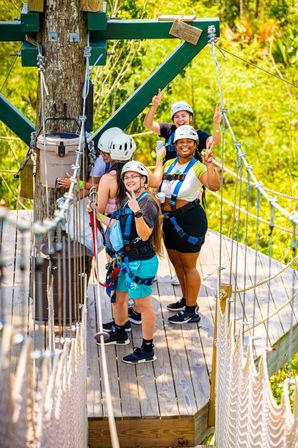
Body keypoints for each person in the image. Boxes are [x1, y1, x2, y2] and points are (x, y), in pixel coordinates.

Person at [149, 125, 220, 324]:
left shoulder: (198, 167)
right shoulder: (169, 163)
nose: (185, 145)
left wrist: (209, 165)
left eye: (189, 142)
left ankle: (191, 309)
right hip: (170, 220)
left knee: (189, 266)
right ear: (175, 145)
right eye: (181, 142)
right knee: (176, 263)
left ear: (195, 145)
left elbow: (213, 186)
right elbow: (155, 183)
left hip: (190, 220)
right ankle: (186, 298)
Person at [95, 161, 163, 364]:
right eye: (126, 177)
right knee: (118, 298)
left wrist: (138, 212)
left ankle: (148, 348)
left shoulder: (147, 203)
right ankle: (120, 331)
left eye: (135, 176)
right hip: (125, 259)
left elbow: (144, 235)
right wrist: (97, 214)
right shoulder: (128, 200)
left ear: (144, 179)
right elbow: (118, 225)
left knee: (143, 306)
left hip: (140, 261)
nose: (130, 180)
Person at [143, 89, 222, 162]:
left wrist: (217, 124)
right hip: (170, 174)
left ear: (190, 118)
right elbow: (148, 124)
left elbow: (214, 141)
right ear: (173, 120)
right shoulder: (169, 130)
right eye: (176, 117)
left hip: (191, 174)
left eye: (183, 116)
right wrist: (154, 106)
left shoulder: (198, 135)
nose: (180, 119)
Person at [57, 127, 124, 194]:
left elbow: (106, 187)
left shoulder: (125, 163)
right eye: (101, 152)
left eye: (106, 153)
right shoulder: (101, 162)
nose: (102, 155)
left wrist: (78, 184)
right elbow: (90, 188)